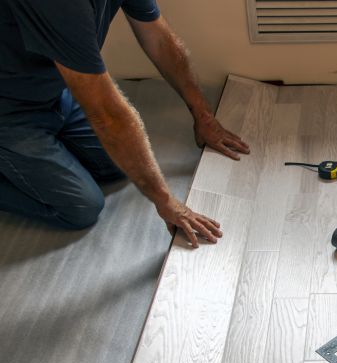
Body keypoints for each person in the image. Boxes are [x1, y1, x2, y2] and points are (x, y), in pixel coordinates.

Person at [0, 0, 249, 247]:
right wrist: (166, 201)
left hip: (56, 95)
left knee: (117, 164)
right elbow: (107, 115)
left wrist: (204, 116)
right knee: (81, 206)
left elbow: (159, 39)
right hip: (9, 115)